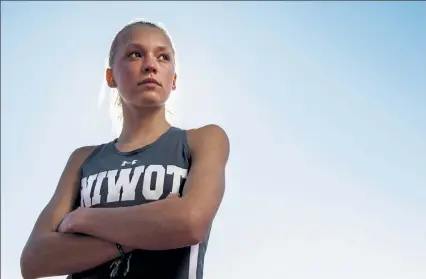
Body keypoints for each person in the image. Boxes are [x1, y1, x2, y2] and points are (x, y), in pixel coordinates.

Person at [20, 19, 230, 279]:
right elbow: (34, 261)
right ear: (110, 77)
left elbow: (191, 223)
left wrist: (85, 219)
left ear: (173, 79)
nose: (151, 65)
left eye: (163, 57)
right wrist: (154, 228)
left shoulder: (203, 140)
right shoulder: (83, 159)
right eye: (135, 54)